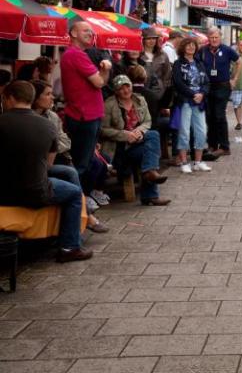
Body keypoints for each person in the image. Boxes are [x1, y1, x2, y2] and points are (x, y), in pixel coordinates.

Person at [0, 81, 93, 262]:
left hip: (3, 192)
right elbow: (48, 165)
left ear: (10, 98)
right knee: (74, 194)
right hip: (35, 192)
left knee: (67, 175)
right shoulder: (47, 125)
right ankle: (69, 246)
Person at [101, 75, 171, 205]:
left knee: (152, 137)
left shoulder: (140, 100)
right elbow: (103, 129)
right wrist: (125, 135)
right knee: (150, 148)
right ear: (116, 91)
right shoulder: (109, 105)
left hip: (137, 142)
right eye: (121, 88)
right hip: (120, 149)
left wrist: (139, 132)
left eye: (127, 86)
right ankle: (150, 195)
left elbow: (147, 121)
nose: (126, 90)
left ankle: (149, 177)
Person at [61, 21, 112, 180]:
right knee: (82, 164)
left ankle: (81, 197)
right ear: (74, 34)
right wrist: (105, 69)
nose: (90, 33)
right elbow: (99, 82)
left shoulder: (76, 54)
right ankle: (77, 200)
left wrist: (104, 70)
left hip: (86, 115)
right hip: (84, 116)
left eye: (91, 31)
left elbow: (100, 82)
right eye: (85, 31)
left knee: (86, 161)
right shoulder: (75, 54)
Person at [172, 37, 212, 173]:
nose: (191, 48)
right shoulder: (178, 64)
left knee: (201, 131)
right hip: (185, 101)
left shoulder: (199, 63)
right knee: (184, 132)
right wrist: (192, 94)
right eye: (188, 45)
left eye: (193, 45)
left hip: (199, 102)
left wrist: (202, 94)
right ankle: (184, 162)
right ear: (183, 47)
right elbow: (178, 83)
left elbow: (206, 82)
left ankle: (198, 161)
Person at [196, 28, 238, 157]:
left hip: (223, 86)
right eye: (211, 37)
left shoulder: (227, 50)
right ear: (208, 38)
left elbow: (239, 62)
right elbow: (196, 64)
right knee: (209, 116)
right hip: (207, 87)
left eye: (216, 37)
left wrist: (234, 79)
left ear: (220, 37)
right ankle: (212, 145)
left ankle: (224, 147)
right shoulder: (203, 50)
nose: (214, 40)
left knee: (219, 115)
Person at [141, 27, 172, 101]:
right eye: (148, 38)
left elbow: (167, 74)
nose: (151, 41)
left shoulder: (162, 55)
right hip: (142, 91)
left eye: (153, 38)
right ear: (143, 40)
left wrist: (162, 88)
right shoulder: (138, 54)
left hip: (158, 93)